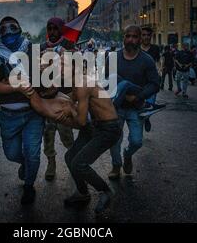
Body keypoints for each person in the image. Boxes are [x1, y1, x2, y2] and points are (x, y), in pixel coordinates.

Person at [18, 65, 121, 214]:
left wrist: (70, 110)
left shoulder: (81, 85)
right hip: (96, 125)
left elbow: (81, 121)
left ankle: (105, 191)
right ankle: (82, 193)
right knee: (69, 157)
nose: (55, 79)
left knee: (79, 163)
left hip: (108, 128)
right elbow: (72, 101)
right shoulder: (74, 84)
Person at [0, 16, 45, 205]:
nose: (8, 32)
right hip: (8, 116)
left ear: (19, 29)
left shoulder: (33, 51)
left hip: (33, 113)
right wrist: (16, 87)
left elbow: (43, 80)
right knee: (12, 153)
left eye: (12, 27)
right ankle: (24, 164)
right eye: (3, 29)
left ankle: (29, 186)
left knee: (32, 153)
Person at [107, 25, 160, 180]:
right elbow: (106, 80)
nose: (130, 39)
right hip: (116, 107)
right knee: (114, 139)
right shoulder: (113, 58)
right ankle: (116, 165)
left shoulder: (147, 60)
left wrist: (137, 97)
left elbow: (154, 84)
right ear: (123, 38)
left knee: (137, 141)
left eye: (134, 36)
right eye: (127, 36)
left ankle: (128, 154)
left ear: (139, 39)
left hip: (136, 108)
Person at [39, 17, 75, 181]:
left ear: (61, 29)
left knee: (66, 133)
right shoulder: (41, 47)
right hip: (46, 100)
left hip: (64, 98)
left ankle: (74, 162)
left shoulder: (70, 46)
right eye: (49, 28)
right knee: (48, 134)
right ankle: (51, 163)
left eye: (55, 28)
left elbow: (76, 72)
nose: (52, 32)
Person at [140, 27, 164, 132]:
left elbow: (158, 61)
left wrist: (159, 72)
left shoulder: (155, 48)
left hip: (151, 81)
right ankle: (141, 123)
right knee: (140, 105)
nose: (146, 37)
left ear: (151, 36)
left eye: (148, 35)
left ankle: (147, 118)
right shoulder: (137, 48)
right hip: (139, 81)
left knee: (150, 104)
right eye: (144, 35)